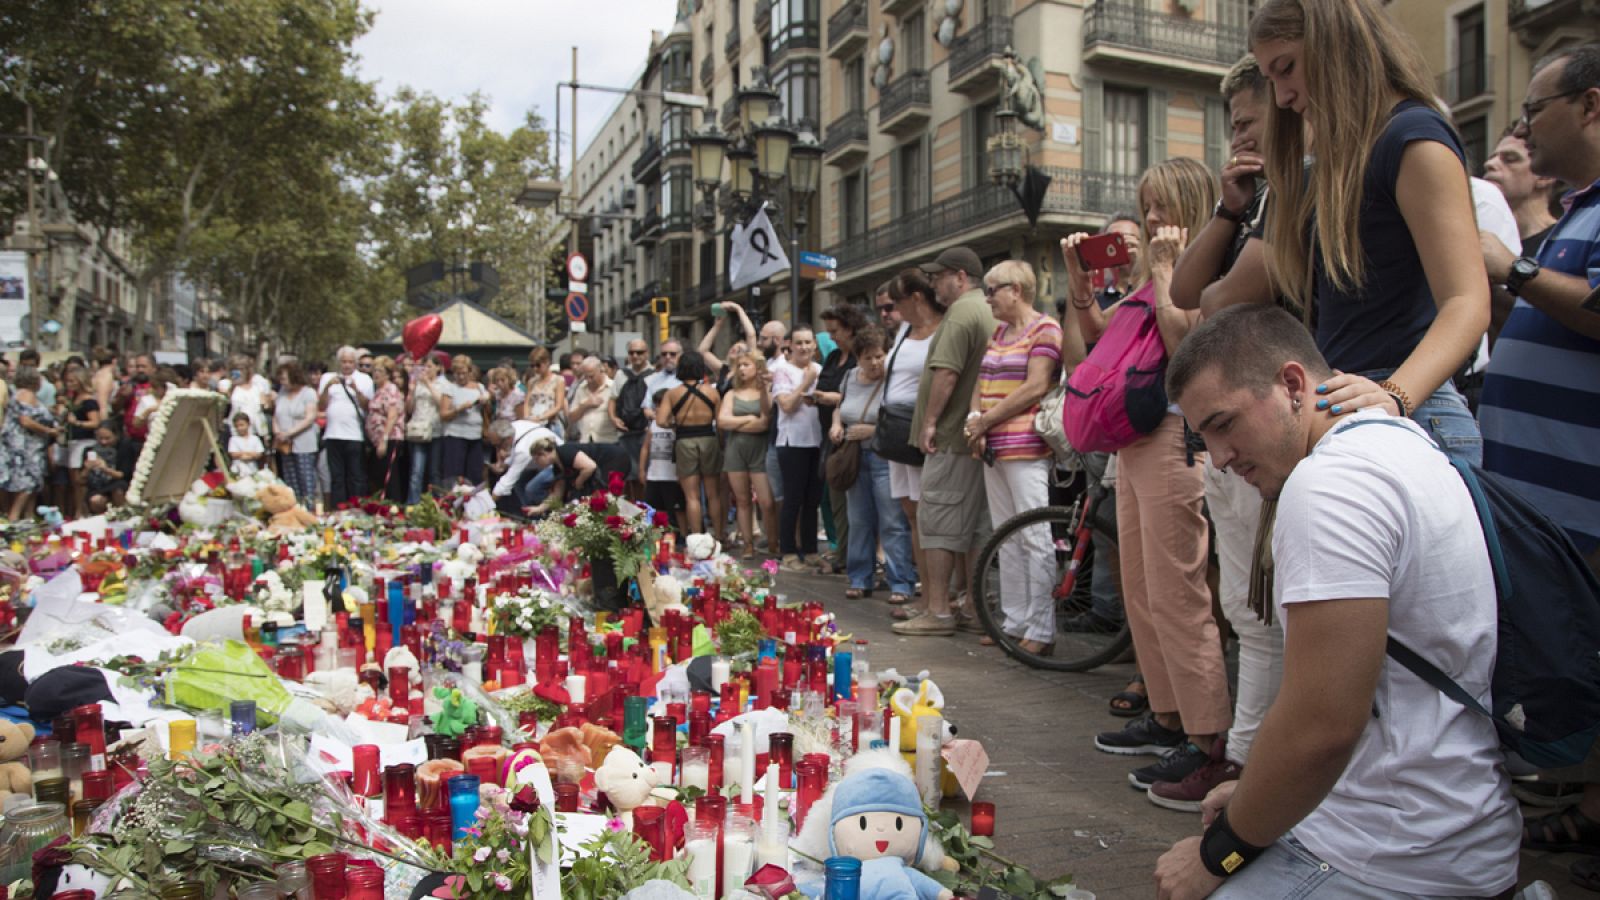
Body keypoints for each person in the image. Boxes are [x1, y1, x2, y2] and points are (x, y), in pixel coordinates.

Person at [1155, 303, 1518, 900]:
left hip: (1395, 857)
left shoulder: (1328, 486)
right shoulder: (1401, 441)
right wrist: (1257, 798)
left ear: (1292, 384)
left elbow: (1320, 728)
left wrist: (1218, 856)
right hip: (1454, 832)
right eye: (1203, 437)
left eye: (1224, 424)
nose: (1218, 457)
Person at [1249, 0, 1489, 466]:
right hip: (1357, 410)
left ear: (1333, 44)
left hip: (1411, 416)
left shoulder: (1413, 137)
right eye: (1270, 78)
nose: (1281, 97)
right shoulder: (1344, 159)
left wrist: (1393, 395)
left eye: (1287, 68)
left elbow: (1468, 302)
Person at [1064, 157, 1230, 792]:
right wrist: (1082, 285)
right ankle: (1168, 715)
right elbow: (1097, 342)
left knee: (1178, 591)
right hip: (1134, 444)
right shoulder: (1144, 279)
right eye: (1146, 205)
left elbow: (1186, 343)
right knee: (1141, 588)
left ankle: (1206, 736)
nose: (1152, 217)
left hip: (1172, 438)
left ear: (1190, 203)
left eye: (1162, 205)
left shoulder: (1205, 268)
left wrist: (1164, 272)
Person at [1477, 44, 1600, 879]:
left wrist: (1513, 268)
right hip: (1543, 503)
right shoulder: (1578, 215)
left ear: (1590, 105)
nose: (1523, 125)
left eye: (1536, 109)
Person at [1154, 53, 1286, 812]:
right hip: (1230, 432)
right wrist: (1231, 206)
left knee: (1272, 611)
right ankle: (1241, 758)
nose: (1236, 136)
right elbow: (1185, 289)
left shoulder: (1299, 190)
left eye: (1247, 119)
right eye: (1231, 123)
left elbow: (1217, 298)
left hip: (1273, 421)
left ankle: (1252, 766)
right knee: (1246, 607)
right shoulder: (1253, 203)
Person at [963, 260, 1066, 655]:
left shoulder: (1045, 328)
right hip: (994, 447)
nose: (987, 298)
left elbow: (1037, 384)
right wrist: (976, 422)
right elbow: (982, 381)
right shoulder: (1001, 331)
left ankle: (1041, 628)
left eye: (993, 290)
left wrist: (984, 421)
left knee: (1034, 535)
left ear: (1016, 290)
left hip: (1026, 446)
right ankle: (1014, 620)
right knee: (1005, 536)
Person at [896, 246, 996, 637]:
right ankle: (971, 606)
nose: (933, 284)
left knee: (935, 521)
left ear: (960, 276)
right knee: (971, 528)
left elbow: (947, 373)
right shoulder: (984, 309)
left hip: (953, 437)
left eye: (938, 277)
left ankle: (937, 611)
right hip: (970, 436)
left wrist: (930, 423)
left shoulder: (961, 313)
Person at [831, 325, 916, 602]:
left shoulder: (894, 379)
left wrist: (871, 430)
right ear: (858, 358)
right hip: (855, 457)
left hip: (884, 455)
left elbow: (903, 416)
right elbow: (840, 406)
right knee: (859, 520)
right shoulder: (849, 377)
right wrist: (836, 425)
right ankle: (859, 577)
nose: (874, 362)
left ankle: (901, 582)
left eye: (879, 356)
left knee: (892, 521)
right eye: (867, 357)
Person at [882, 269, 944, 622]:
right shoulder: (904, 331)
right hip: (896, 432)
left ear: (916, 298)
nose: (892, 310)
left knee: (930, 514)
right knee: (911, 514)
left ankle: (941, 595)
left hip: (923, 429)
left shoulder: (943, 328)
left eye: (897, 302)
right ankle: (926, 596)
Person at [1482, 128, 1563, 346]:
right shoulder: (1479, 236)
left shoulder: (1563, 241)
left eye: (1510, 160)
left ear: (1544, 177)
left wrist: (1509, 271)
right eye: (1492, 157)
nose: (1490, 165)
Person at [815, 304, 869, 575]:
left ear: (850, 328)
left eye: (835, 331)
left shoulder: (862, 357)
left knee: (854, 502)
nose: (831, 337)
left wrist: (827, 398)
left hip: (856, 436)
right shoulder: (833, 355)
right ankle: (842, 550)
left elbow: (854, 391)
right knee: (832, 495)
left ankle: (852, 555)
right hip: (831, 435)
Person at [771, 327, 825, 573]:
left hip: (817, 441)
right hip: (792, 442)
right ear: (789, 345)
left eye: (808, 342)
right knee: (793, 499)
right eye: (799, 342)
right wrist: (806, 381)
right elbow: (786, 406)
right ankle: (789, 551)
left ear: (815, 345)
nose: (804, 347)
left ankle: (811, 550)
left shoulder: (821, 371)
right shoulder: (782, 371)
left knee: (812, 499)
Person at [718, 350, 778, 560]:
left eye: (746, 365)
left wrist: (738, 422)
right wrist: (748, 419)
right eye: (739, 365)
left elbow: (764, 422)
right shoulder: (731, 394)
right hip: (736, 450)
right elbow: (722, 422)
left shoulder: (765, 391)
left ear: (757, 367)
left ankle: (772, 542)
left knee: (767, 501)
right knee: (742, 500)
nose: (742, 369)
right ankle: (747, 544)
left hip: (760, 449)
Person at [658, 350, 724, 540]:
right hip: (708, 439)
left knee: (692, 496)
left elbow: (661, 421)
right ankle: (719, 537)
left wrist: (675, 425)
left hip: (684, 440)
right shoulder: (712, 392)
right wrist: (720, 443)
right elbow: (719, 423)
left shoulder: (672, 394)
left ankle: (696, 539)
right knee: (713, 494)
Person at [0, 367, 62, 519]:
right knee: (28, 484)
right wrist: (49, 431)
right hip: (25, 447)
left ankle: (28, 517)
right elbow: (25, 421)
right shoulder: (26, 395)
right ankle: (13, 518)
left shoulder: (21, 395)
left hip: (27, 446)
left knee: (33, 485)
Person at [318, 345, 373, 507]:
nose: (347, 365)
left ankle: (357, 506)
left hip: (354, 435)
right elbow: (321, 406)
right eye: (343, 362)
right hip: (333, 434)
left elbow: (367, 406)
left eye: (350, 362)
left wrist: (356, 390)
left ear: (355, 362)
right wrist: (328, 387)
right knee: (337, 476)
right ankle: (339, 508)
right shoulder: (328, 377)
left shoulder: (364, 379)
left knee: (356, 475)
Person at [527, 437, 632, 513]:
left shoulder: (564, 451)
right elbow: (557, 493)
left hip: (613, 459)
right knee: (600, 500)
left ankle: (630, 517)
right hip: (604, 464)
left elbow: (590, 466)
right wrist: (539, 508)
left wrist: (579, 481)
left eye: (537, 459)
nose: (536, 463)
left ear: (543, 454)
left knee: (605, 497)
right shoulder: (558, 467)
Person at [486, 417, 560, 515]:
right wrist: (504, 464)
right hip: (538, 465)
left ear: (508, 439)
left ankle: (547, 514)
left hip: (555, 464)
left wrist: (487, 505)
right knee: (519, 484)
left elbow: (507, 482)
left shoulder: (523, 450)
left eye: (498, 445)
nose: (498, 449)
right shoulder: (514, 426)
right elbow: (512, 454)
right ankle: (529, 512)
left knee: (531, 488)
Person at [609, 339, 655, 486]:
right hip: (625, 431)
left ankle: (644, 507)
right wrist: (614, 419)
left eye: (639, 352)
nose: (635, 356)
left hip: (645, 432)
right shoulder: (621, 374)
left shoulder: (654, 375)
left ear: (647, 353)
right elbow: (612, 399)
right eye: (631, 352)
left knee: (644, 474)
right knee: (626, 475)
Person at [273, 361, 320, 506]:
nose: (282, 382)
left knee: (305, 479)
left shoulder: (308, 393)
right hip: (285, 444)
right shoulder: (282, 392)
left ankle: (309, 507)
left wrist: (290, 433)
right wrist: (277, 431)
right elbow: (276, 414)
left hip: (303, 441)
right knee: (290, 479)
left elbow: (310, 417)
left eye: (284, 378)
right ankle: (294, 507)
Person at [404, 353, 448, 505]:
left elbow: (441, 403)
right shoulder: (417, 384)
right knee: (416, 470)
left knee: (434, 471)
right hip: (418, 429)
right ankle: (413, 503)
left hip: (435, 430)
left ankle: (436, 503)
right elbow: (409, 409)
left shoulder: (443, 385)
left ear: (438, 368)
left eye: (430, 366)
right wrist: (410, 391)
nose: (427, 370)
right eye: (424, 366)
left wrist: (429, 384)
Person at [438, 354, 488, 487]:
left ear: (469, 372)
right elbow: (443, 414)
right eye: (457, 373)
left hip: (475, 436)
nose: (460, 377)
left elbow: (487, 410)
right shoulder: (450, 388)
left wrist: (485, 401)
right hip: (455, 435)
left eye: (464, 373)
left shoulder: (479, 387)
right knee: (453, 475)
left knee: (475, 474)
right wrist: (458, 409)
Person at [641, 388, 688, 530]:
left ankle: (684, 535)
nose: (658, 408)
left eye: (661, 405)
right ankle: (657, 534)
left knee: (678, 508)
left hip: (672, 476)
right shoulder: (654, 426)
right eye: (656, 405)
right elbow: (645, 447)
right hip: (654, 475)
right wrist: (642, 470)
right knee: (654, 508)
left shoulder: (676, 426)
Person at [61, 369, 101, 519]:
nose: (69, 384)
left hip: (84, 442)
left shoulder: (89, 401)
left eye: (72, 381)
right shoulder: (73, 400)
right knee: (73, 480)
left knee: (80, 479)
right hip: (72, 442)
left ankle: (82, 510)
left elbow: (95, 422)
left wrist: (77, 422)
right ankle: (78, 508)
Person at [366, 358, 407, 502]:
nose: (376, 374)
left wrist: (384, 439)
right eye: (374, 370)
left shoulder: (391, 390)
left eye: (380, 371)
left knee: (390, 477)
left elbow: (392, 415)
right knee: (379, 475)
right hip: (377, 439)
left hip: (390, 438)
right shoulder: (378, 390)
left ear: (388, 374)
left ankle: (394, 507)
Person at [697, 301, 758, 379]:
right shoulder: (723, 369)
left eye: (739, 350)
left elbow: (751, 335)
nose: (734, 349)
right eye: (733, 347)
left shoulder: (747, 370)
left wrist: (738, 309)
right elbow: (702, 351)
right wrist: (717, 325)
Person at [82, 424, 130, 513]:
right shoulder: (90, 450)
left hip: (116, 483)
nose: (104, 442)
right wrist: (87, 468)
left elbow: (122, 475)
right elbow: (81, 479)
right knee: (95, 500)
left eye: (108, 438)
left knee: (118, 490)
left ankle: (123, 516)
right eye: (100, 438)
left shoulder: (123, 448)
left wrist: (104, 468)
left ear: (116, 436)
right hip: (97, 487)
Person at [568, 358, 617, 444]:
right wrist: (585, 405)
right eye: (585, 376)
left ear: (601, 371)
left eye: (591, 376)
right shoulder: (581, 388)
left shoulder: (613, 387)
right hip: (585, 441)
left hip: (608, 441)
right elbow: (572, 417)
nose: (588, 380)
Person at [224, 354, 274, 439]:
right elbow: (225, 406)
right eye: (235, 369)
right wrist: (232, 384)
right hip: (236, 431)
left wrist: (266, 402)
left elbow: (267, 405)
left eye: (242, 369)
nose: (239, 372)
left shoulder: (258, 384)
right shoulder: (227, 385)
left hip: (256, 431)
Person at [520, 347, 567, 435]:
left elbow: (559, 406)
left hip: (550, 424)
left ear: (547, 362)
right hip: (533, 423)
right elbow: (527, 403)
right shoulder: (532, 382)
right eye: (532, 366)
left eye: (538, 365)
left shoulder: (558, 380)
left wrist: (541, 417)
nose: (535, 369)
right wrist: (527, 418)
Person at [228, 412, 265, 477]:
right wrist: (251, 453)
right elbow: (233, 454)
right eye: (237, 426)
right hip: (237, 470)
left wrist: (245, 455)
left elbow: (259, 453)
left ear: (248, 424)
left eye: (241, 425)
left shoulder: (255, 438)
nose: (239, 428)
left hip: (253, 469)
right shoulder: (233, 439)